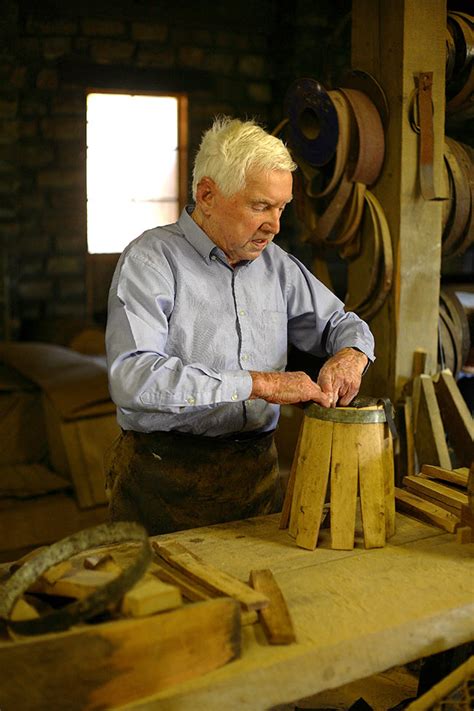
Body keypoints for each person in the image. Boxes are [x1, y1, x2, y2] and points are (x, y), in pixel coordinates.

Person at [105, 116, 375, 535]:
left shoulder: (276, 264)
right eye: (260, 206)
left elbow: (342, 323)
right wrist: (260, 384)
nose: (275, 224)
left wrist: (351, 354)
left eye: (281, 207)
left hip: (256, 476)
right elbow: (133, 378)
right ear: (207, 195)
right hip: (164, 478)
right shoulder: (151, 260)